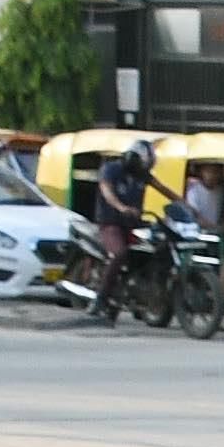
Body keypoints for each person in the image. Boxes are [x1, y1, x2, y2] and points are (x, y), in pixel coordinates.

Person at [87, 138, 159, 323]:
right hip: (111, 223)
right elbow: (107, 191)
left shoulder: (142, 175)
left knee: (156, 250)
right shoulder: (111, 170)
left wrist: (187, 208)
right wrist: (121, 207)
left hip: (133, 224)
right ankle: (100, 299)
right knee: (119, 254)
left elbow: (165, 190)